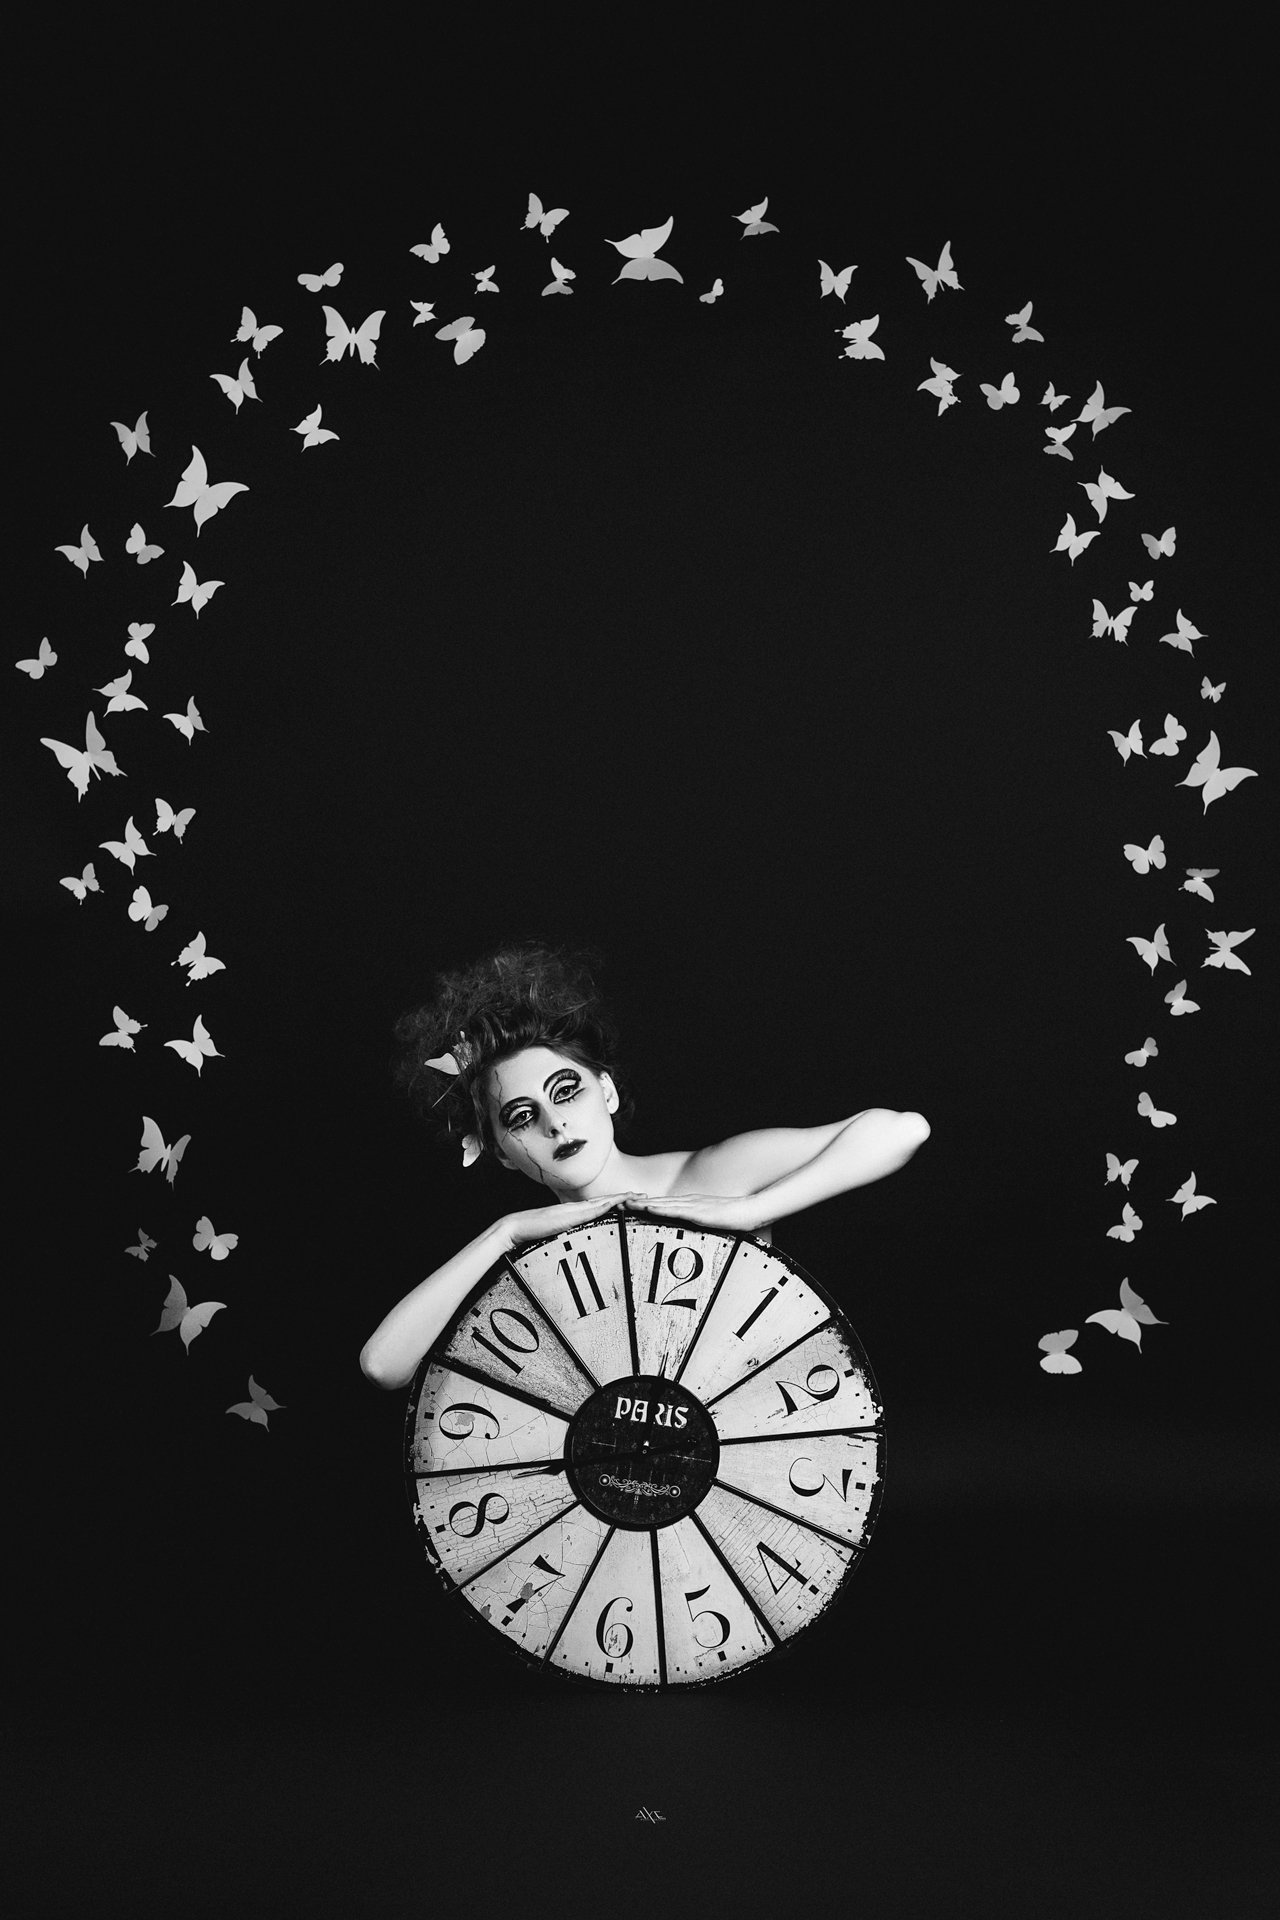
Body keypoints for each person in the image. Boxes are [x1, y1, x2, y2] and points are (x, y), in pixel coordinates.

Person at [360, 942, 929, 1390]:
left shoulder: (706, 1177)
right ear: (501, 1151)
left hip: (745, 1465)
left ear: (606, 1091)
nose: (556, 1125)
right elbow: (384, 1366)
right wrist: (504, 1234)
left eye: (567, 1091)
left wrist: (748, 1210)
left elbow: (902, 1130)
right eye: (522, 1116)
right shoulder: (532, 1255)